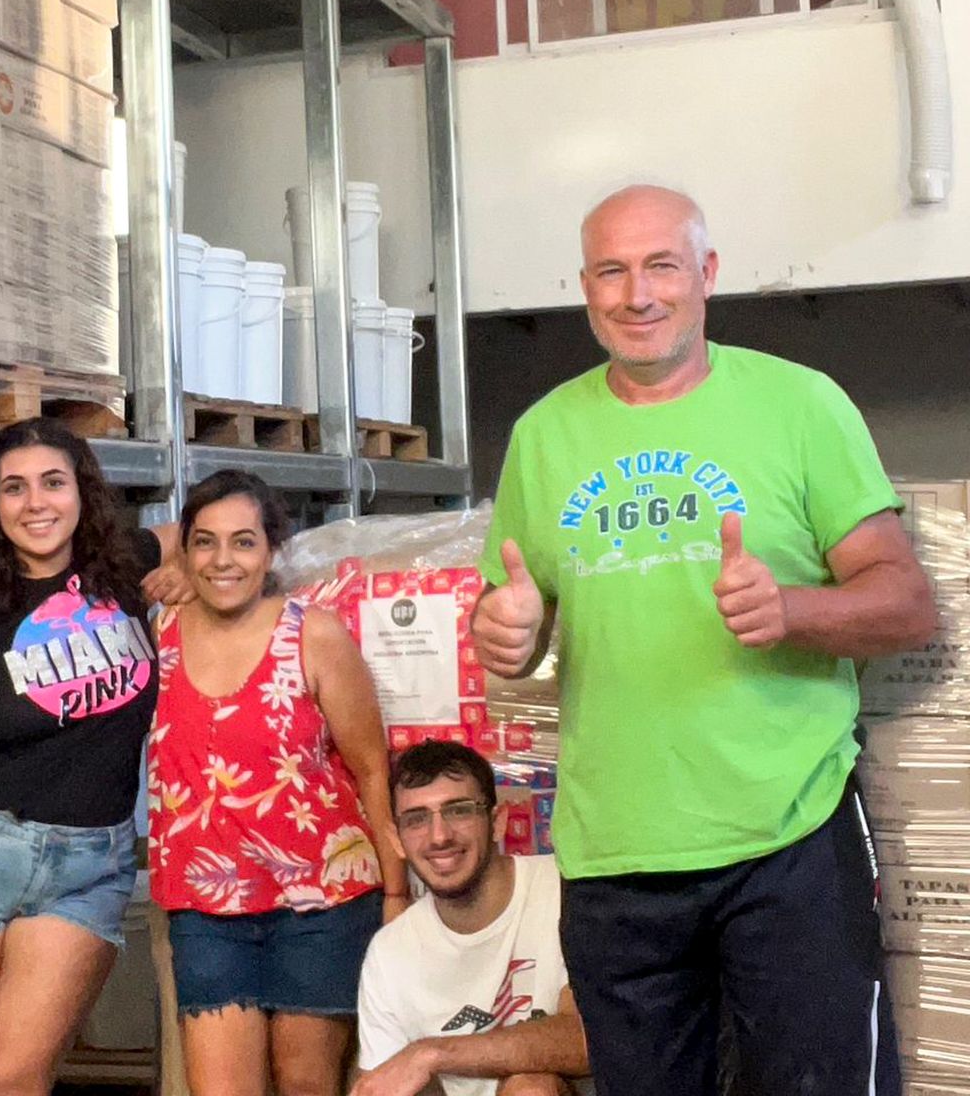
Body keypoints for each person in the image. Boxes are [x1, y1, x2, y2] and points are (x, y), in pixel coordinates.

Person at [472, 184, 936, 1096]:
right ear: (585, 288)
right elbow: (515, 622)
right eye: (612, 271)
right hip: (616, 856)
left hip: (785, 837)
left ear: (707, 274)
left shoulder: (800, 405)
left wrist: (793, 611)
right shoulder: (542, 435)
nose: (637, 294)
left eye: (661, 266)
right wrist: (507, 633)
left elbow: (905, 605)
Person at [0, 416, 183, 1096]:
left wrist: (192, 576)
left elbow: (213, 532)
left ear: (83, 493)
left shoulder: (123, 570)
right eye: (15, 488)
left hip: (88, 865)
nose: (36, 504)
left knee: (9, 1076)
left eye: (53, 483)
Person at [147, 469, 409, 1096]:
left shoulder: (312, 632)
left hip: (323, 899)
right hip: (204, 906)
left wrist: (396, 894)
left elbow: (372, 765)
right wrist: (174, 564)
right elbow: (101, 561)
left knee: (305, 1083)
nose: (223, 560)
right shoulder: (159, 632)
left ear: (271, 550)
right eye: (204, 542)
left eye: (243, 541)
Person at [354, 741, 589, 1096]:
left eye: (459, 810)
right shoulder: (389, 952)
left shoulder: (564, 894)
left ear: (497, 822)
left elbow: (587, 1040)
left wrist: (430, 1054)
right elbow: (380, 1086)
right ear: (396, 840)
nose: (439, 836)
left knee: (530, 1089)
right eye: (416, 819)